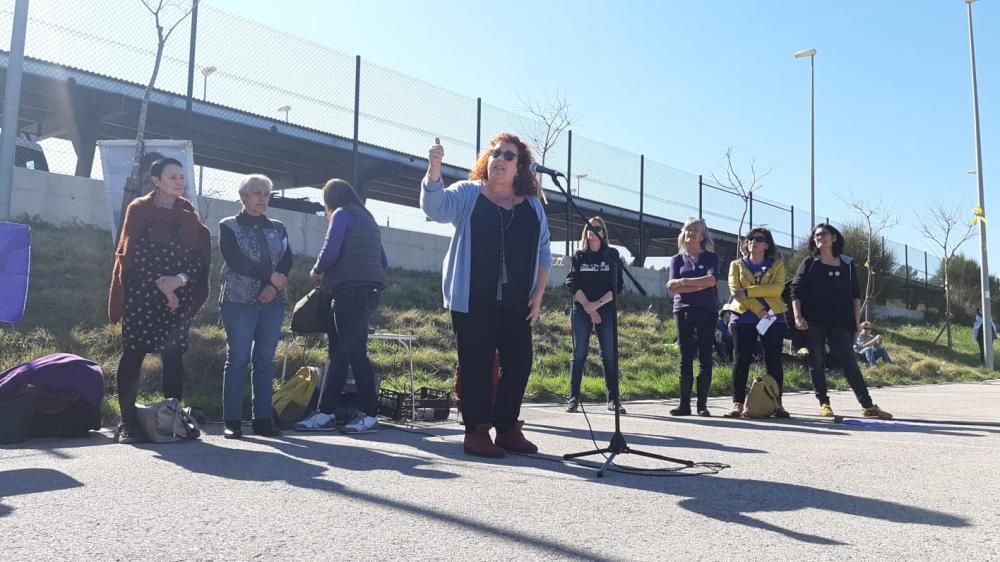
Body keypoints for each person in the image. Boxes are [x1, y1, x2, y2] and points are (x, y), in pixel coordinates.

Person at [420, 133, 552, 458]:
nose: (500, 160)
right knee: (476, 366)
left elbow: (544, 251)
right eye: (495, 153)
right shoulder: (468, 194)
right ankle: (476, 432)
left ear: (520, 167)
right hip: (472, 299)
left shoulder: (533, 206)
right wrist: (434, 168)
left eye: (509, 156)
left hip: (517, 301)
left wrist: (539, 293)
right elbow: (435, 207)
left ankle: (506, 428)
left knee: (519, 362)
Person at [108, 157, 211, 444]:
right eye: (173, 177)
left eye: (181, 177)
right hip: (142, 294)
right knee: (134, 353)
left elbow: (197, 259)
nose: (180, 181)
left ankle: (172, 418)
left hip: (178, 295)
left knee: (173, 355)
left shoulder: (188, 214)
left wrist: (178, 282)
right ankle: (128, 423)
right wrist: (165, 287)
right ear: (156, 181)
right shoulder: (139, 209)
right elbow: (132, 254)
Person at [295, 179, 388, 434]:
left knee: (354, 353)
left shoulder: (341, 214)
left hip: (348, 291)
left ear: (330, 200)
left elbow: (330, 249)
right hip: (368, 292)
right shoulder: (368, 218)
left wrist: (317, 270)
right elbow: (383, 259)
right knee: (339, 353)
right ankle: (325, 412)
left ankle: (369, 415)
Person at [790, 223, 892, 419]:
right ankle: (824, 404)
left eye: (824, 234)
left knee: (849, 361)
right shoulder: (809, 263)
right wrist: (797, 316)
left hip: (840, 321)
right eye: (816, 235)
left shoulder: (847, 264)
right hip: (814, 320)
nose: (819, 238)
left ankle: (868, 405)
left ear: (834, 238)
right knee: (817, 359)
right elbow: (796, 290)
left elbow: (855, 296)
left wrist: (856, 323)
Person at [218, 174, 292, 439]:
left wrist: (273, 287)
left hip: (273, 302)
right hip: (238, 301)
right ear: (243, 197)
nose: (262, 198)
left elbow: (286, 260)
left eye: (266, 194)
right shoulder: (229, 226)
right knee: (238, 359)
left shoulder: (279, 227)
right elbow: (235, 259)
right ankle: (232, 421)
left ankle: (262, 419)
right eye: (257, 193)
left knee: (264, 360)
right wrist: (268, 276)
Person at [725, 227, 790, 418]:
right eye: (750, 238)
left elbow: (777, 290)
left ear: (767, 244)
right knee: (741, 359)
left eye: (759, 239)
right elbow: (735, 291)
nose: (753, 241)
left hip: (773, 319)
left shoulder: (777, 265)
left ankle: (776, 403)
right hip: (743, 318)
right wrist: (759, 310)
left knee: (773, 361)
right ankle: (737, 402)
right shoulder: (736, 265)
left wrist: (749, 291)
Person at [564, 216, 625, 414]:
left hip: (605, 309)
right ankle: (573, 398)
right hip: (582, 309)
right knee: (579, 353)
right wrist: (589, 308)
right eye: (589, 228)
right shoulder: (579, 256)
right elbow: (573, 284)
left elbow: (617, 286)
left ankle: (613, 399)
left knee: (608, 355)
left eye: (597, 227)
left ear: (604, 232)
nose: (593, 231)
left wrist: (597, 307)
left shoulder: (612, 254)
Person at [666, 218, 720, 417]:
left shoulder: (711, 258)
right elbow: (672, 287)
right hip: (683, 310)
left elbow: (712, 280)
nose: (691, 234)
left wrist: (684, 282)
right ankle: (684, 404)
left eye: (695, 231)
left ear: (702, 235)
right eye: (688, 230)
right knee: (685, 356)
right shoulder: (677, 259)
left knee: (705, 355)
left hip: (707, 311)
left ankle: (702, 404)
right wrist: (698, 284)